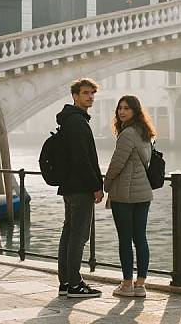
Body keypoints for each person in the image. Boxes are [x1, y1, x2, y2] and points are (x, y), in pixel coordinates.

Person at [104, 95, 156, 298]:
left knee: (125, 239)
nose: (122, 112)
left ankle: (127, 285)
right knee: (140, 238)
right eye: (120, 108)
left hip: (124, 196)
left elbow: (117, 163)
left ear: (135, 111)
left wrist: (106, 185)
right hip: (143, 194)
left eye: (127, 108)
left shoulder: (127, 134)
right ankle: (140, 284)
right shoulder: (145, 133)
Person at [57, 78, 104, 298]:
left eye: (92, 93)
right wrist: (96, 186)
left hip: (70, 186)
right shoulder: (77, 122)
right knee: (78, 235)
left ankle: (65, 282)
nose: (90, 97)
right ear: (75, 96)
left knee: (69, 233)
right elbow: (82, 159)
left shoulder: (71, 120)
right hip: (80, 187)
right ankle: (74, 284)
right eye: (85, 93)